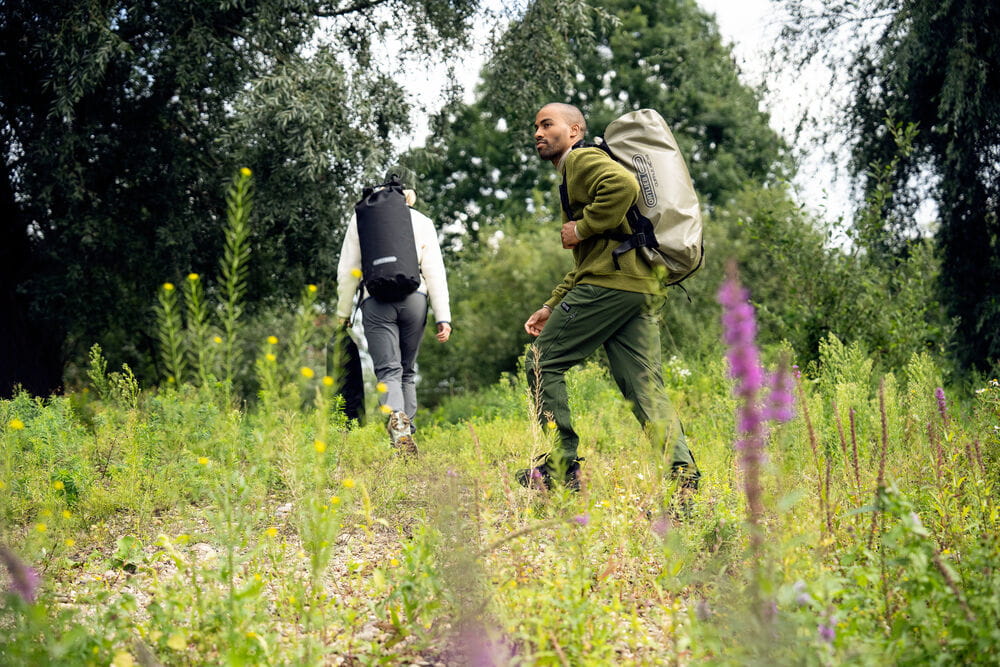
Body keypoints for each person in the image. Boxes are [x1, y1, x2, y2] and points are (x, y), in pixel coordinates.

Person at [518, 103, 700, 492]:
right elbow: (592, 260)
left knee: (541, 362)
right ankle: (682, 475)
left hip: (610, 285)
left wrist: (582, 228)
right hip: (639, 287)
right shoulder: (579, 167)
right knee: (643, 385)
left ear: (574, 130)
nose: (538, 133)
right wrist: (552, 304)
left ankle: (561, 466)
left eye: (547, 124)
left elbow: (624, 186)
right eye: (536, 126)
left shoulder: (579, 160)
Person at [335, 166, 452, 452]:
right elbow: (435, 272)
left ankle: (397, 423)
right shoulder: (423, 221)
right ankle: (407, 429)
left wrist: (343, 313)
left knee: (388, 370)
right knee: (407, 371)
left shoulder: (362, 219)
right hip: (415, 299)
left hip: (375, 301)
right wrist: (443, 316)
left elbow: (347, 270)